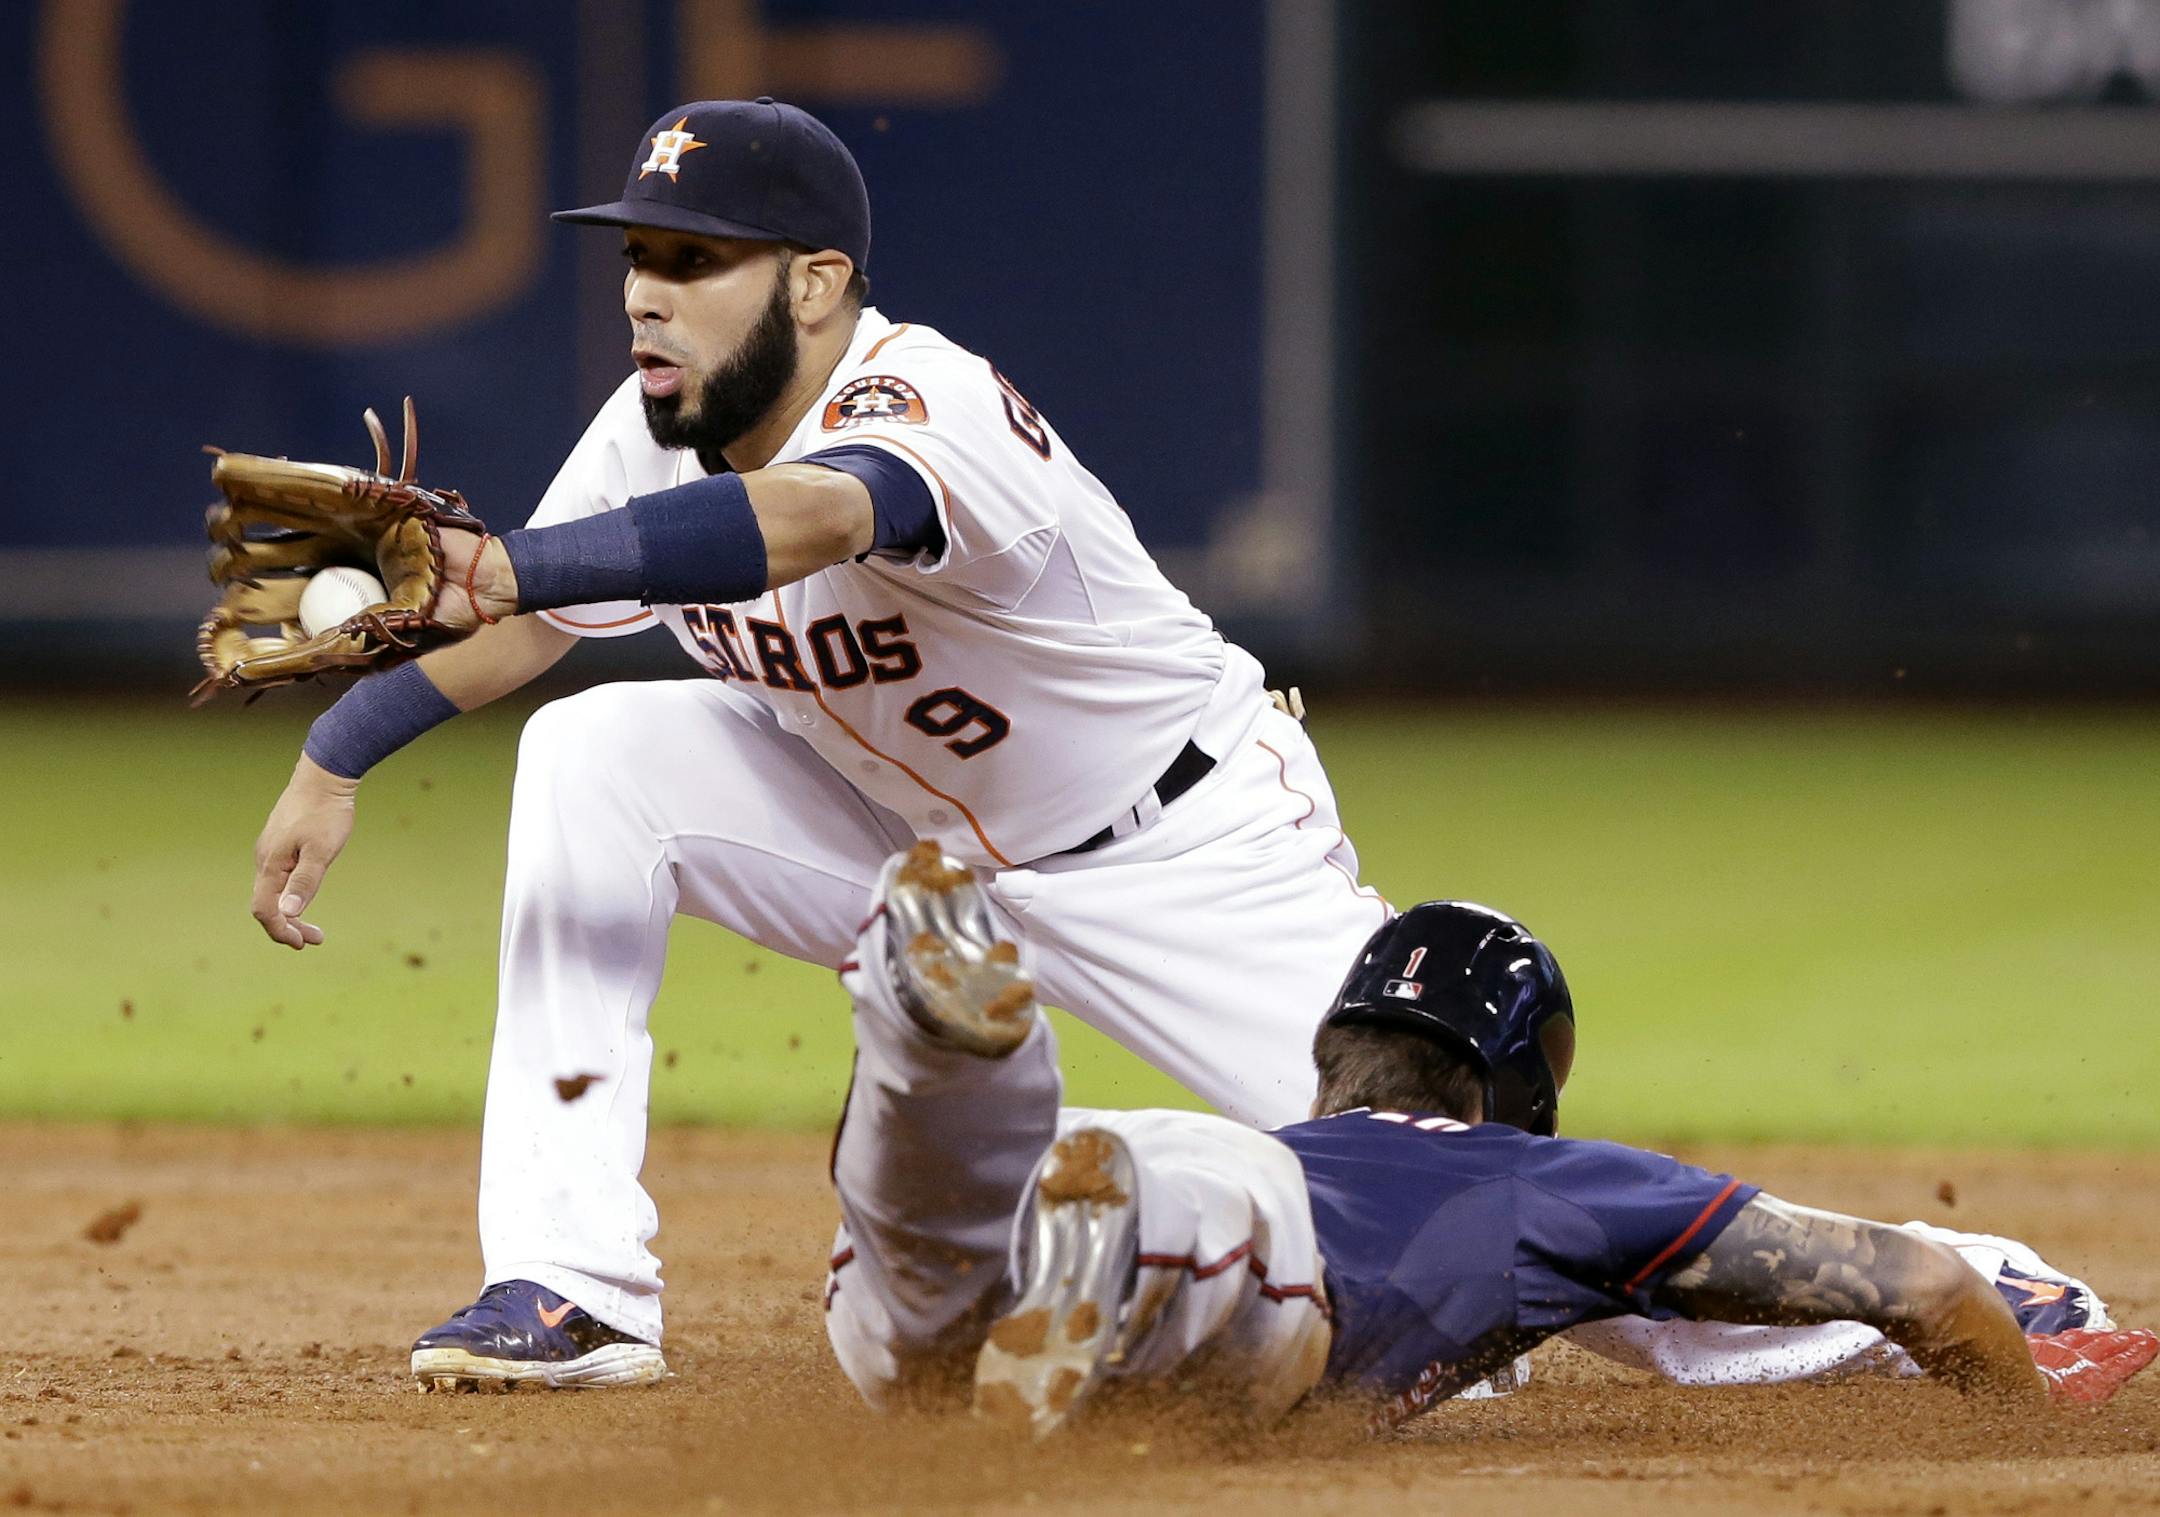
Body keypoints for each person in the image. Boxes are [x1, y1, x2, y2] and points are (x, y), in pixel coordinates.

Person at [240, 98, 1390, 1389]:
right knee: (596, 752)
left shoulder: (925, 397)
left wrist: (509, 563)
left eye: (695, 260)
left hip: (1176, 852)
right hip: (915, 865)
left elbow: (816, 514)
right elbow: (526, 620)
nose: (645, 297)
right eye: (636, 256)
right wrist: (335, 752)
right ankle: (572, 1284)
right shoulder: (653, 423)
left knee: (1469, 1230)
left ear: (818, 281)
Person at [810, 845, 2156, 1433]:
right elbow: (1924, 1286)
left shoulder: (1282, 1126)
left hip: (1101, 1171)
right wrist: (2024, 1406)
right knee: (1225, 1254)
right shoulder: (1555, 1182)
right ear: (1513, 1081)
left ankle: (936, 1050)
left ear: (1336, 1048)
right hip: (1227, 1242)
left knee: (923, 1266)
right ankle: (1107, 1260)